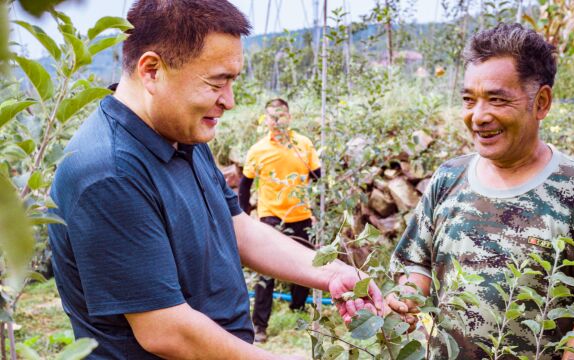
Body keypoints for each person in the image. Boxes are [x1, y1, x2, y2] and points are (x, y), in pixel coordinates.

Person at [47, 1, 381, 359]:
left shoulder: (181, 134)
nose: (230, 101)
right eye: (216, 83)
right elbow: (167, 331)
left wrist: (333, 273)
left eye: (232, 81)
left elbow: (239, 230)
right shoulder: (109, 173)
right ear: (152, 71)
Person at [386, 23, 574, 360]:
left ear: (541, 102)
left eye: (496, 100)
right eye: (468, 100)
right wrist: (407, 302)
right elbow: (418, 266)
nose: (478, 116)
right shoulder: (448, 178)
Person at [238, 98, 321, 342]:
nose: (276, 121)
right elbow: (244, 187)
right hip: (271, 216)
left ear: (289, 118)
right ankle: (260, 326)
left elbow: (318, 179)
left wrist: (317, 208)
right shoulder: (258, 150)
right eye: (272, 117)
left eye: (281, 116)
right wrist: (243, 216)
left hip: (301, 214)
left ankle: (298, 312)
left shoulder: (303, 145)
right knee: (265, 271)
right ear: (266, 120)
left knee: (306, 267)